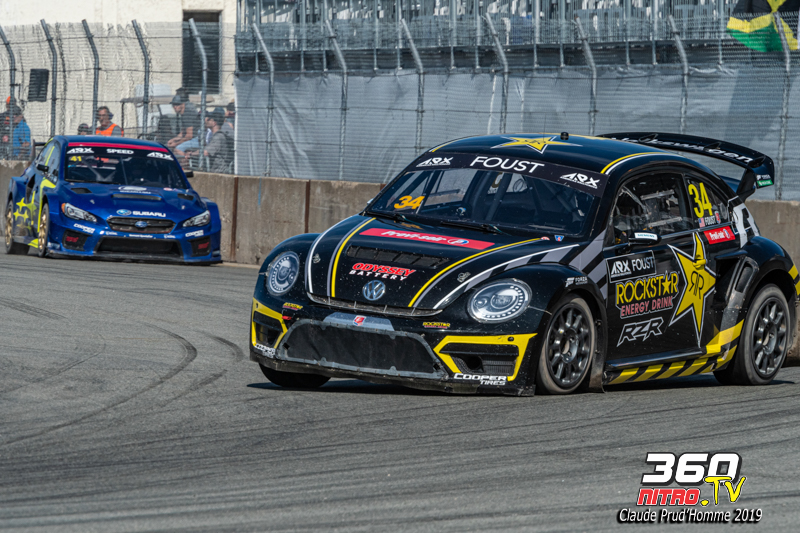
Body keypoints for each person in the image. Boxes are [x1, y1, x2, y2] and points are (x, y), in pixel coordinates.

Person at [203, 107, 233, 173]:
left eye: (209, 119)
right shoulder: (216, 135)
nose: (207, 121)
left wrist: (191, 154)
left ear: (214, 123)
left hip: (218, 171)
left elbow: (205, 152)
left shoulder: (218, 137)